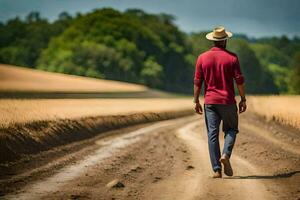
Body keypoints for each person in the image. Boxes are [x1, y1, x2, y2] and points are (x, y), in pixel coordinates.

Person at [193, 26, 247, 178]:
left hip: (210, 102)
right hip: (228, 101)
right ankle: (226, 155)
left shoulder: (202, 58)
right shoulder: (232, 58)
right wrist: (243, 99)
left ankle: (217, 170)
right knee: (231, 130)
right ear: (225, 41)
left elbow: (197, 82)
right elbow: (239, 81)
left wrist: (196, 101)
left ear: (213, 40)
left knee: (212, 134)